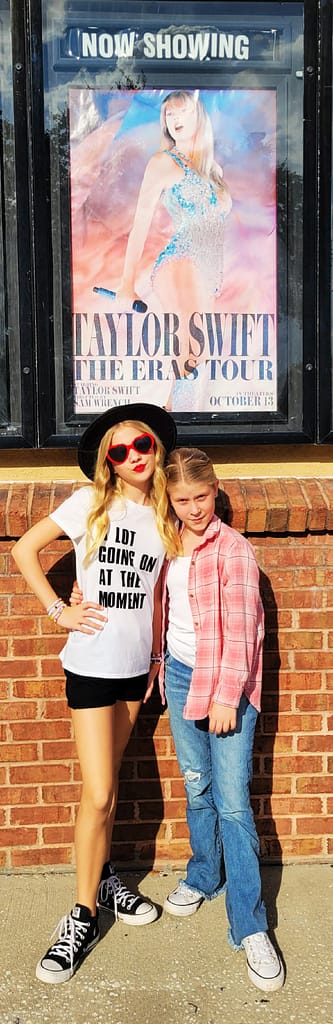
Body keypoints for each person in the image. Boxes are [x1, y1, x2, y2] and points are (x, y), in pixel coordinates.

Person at [12, 402, 178, 984]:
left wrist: (157, 657)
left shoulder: (166, 514)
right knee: (102, 792)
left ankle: (103, 878)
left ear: (157, 449)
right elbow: (22, 550)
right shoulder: (89, 505)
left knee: (107, 784)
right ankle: (81, 913)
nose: (133, 456)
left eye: (143, 446)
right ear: (107, 461)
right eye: (120, 450)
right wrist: (58, 610)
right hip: (91, 664)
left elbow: (158, 594)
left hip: (137, 669)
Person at [157, 447, 284, 993]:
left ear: (216, 491)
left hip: (227, 683)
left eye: (201, 497)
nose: (193, 509)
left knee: (233, 803)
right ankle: (204, 875)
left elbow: (245, 631)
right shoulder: (163, 545)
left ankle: (251, 926)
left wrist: (228, 696)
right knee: (196, 784)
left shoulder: (233, 550)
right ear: (170, 499)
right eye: (182, 499)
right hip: (182, 676)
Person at [113, 90, 232, 406]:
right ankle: (183, 430)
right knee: (193, 349)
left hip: (205, 272)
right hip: (179, 262)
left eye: (182, 112)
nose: (175, 119)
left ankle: (169, 423)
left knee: (195, 354)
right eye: (169, 113)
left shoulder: (213, 169)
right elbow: (140, 222)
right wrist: (126, 284)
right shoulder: (163, 162)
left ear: (199, 116)